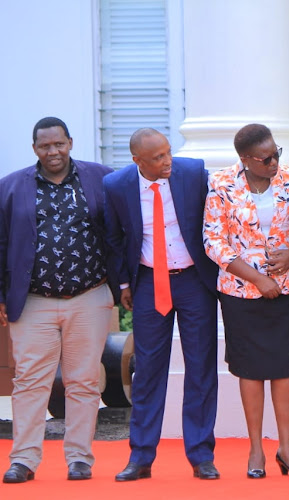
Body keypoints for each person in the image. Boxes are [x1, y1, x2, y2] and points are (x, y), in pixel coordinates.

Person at [0, 117, 115, 483]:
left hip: (89, 295)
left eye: (59, 144)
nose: (53, 152)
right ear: (35, 148)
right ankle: (24, 460)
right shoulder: (11, 187)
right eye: (45, 146)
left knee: (82, 381)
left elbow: (124, 228)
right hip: (33, 300)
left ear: (70, 142)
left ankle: (80, 458)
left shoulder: (100, 178)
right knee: (30, 381)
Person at [103, 128, 220, 481]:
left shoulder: (194, 172)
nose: (167, 161)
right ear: (137, 160)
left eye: (168, 152)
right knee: (148, 370)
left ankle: (201, 455)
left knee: (201, 367)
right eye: (157, 157)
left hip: (193, 281)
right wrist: (123, 283)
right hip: (148, 282)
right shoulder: (117, 185)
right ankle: (140, 456)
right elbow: (114, 237)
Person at [203, 124, 289, 479]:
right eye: (266, 158)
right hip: (240, 292)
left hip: (285, 289)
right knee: (249, 371)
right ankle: (256, 450)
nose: (274, 161)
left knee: (283, 369)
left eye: (276, 153)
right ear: (245, 159)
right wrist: (258, 278)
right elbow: (214, 242)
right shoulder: (221, 183)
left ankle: (287, 448)